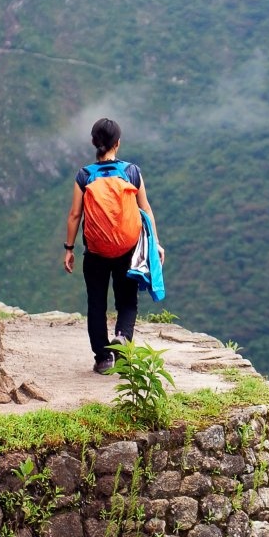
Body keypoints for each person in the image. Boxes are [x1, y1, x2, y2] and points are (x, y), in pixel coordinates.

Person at [63, 118, 164, 374]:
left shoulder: (84, 176)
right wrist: (155, 244)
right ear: (118, 143)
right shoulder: (132, 172)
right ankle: (122, 338)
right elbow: (145, 209)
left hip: (95, 253)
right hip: (127, 250)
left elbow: (75, 215)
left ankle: (103, 358)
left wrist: (69, 248)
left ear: (93, 143)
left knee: (96, 303)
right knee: (127, 301)